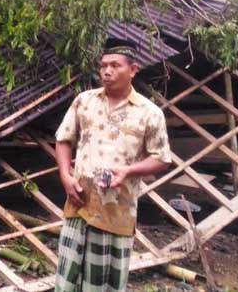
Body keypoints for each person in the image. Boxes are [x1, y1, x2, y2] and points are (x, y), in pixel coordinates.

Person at [54, 37, 173, 292]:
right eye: (103, 66)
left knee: (104, 284)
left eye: (115, 66)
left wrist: (128, 171)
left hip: (117, 213)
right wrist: (65, 175)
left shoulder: (149, 112)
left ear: (133, 70)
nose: (107, 72)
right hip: (79, 206)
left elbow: (161, 158)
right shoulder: (84, 101)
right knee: (67, 282)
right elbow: (63, 139)